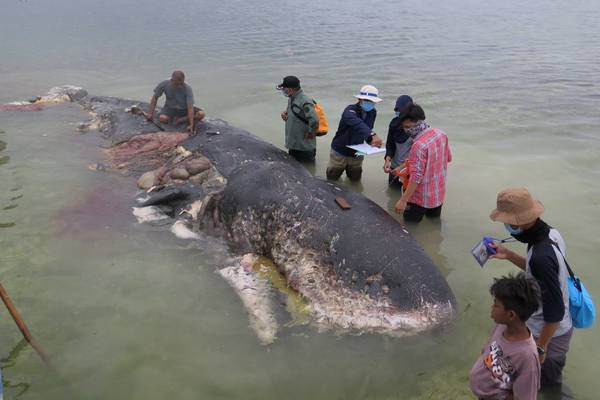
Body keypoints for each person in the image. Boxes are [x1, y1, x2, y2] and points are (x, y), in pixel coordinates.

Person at [489, 187, 573, 388]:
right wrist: (509, 254)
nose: (507, 226)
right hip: (552, 328)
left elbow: (555, 313)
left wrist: (541, 348)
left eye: (508, 222)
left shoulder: (541, 258)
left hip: (550, 335)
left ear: (520, 221)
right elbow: (539, 272)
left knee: (545, 387)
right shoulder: (551, 234)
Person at [470, 273, 541, 400]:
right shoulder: (502, 326)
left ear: (511, 315)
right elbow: (488, 350)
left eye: (496, 305)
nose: (492, 308)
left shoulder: (527, 357)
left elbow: (526, 396)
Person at [394, 104, 452, 223]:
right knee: (434, 225)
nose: (406, 130)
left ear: (418, 122)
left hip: (419, 198)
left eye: (408, 126)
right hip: (437, 194)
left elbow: (416, 177)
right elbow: (448, 158)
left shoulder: (418, 145)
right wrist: (405, 165)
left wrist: (403, 200)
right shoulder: (441, 133)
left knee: (410, 228)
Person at [326, 85, 384, 181]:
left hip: (357, 152)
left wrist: (371, 142)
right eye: (367, 100)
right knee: (332, 179)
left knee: (355, 180)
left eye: (372, 101)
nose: (370, 103)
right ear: (359, 99)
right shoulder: (350, 110)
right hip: (340, 151)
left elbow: (366, 129)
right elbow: (357, 123)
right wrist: (372, 134)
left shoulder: (372, 112)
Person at [277, 76, 319, 162]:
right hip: (294, 144)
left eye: (284, 89)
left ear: (290, 90)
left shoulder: (305, 101)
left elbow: (314, 119)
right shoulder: (292, 99)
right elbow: (296, 113)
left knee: (306, 171)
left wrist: (311, 132)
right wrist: (285, 114)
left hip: (303, 147)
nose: (283, 91)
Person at [383, 95, 413, 189]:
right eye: (397, 110)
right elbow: (390, 144)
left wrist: (402, 167)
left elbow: (417, 156)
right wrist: (387, 160)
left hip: (410, 170)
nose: (398, 113)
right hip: (394, 168)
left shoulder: (417, 128)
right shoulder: (394, 123)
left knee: (407, 196)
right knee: (392, 193)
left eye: (401, 111)